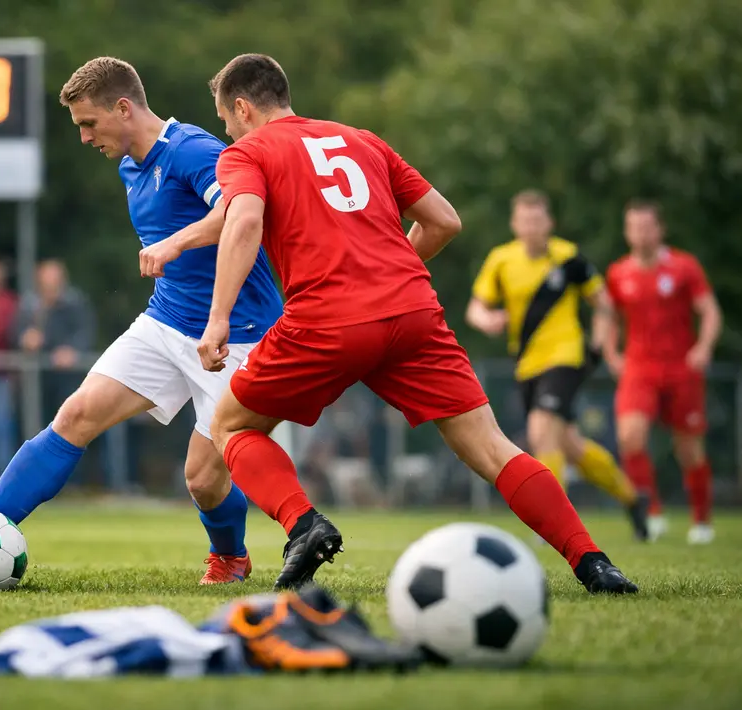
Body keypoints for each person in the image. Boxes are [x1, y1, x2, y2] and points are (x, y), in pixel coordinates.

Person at [197, 53, 637, 594]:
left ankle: (303, 526)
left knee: (232, 427)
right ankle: (593, 562)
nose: (226, 131)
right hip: (411, 310)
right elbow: (444, 221)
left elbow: (243, 219)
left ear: (241, 108)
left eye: (224, 120)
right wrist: (388, 272)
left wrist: (218, 320)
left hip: (326, 317)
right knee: (493, 447)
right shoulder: (363, 140)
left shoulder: (247, 152)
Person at [0, 57, 286, 584]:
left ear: (124, 108)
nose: (86, 138)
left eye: (89, 124)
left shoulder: (193, 151)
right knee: (76, 414)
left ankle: (231, 556)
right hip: (165, 321)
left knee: (201, 479)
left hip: (236, 335)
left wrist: (176, 242)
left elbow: (243, 210)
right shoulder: (131, 165)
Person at [466, 190, 648, 540]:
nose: (532, 227)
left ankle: (552, 521)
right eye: (525, 220)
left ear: (549, 223)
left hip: (565, 358)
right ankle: (631, 498)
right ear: (514, 224)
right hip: (527, 366)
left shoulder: (568, 258)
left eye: (538, 220)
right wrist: (486, 319)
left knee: (540, 430)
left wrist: (597, 346)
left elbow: (604, 304)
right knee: (570, 446)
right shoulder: (502, 259)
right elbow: (476, 307)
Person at [603, 200, 722, 544]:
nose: (640, 234)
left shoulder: (684, 267)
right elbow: (609, 317)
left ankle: (702, 521)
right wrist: (612, 352)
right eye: (634, 227)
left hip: (681, 368)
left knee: (689, 450)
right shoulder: (618, 273)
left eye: (646, 227)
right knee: (630, 437)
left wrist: (704, 348)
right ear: (626, 231)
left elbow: (710, 311)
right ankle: (651, 513)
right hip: (639, 368)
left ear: (660, 230)